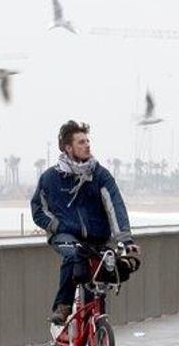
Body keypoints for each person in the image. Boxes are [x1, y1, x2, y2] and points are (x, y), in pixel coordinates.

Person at [31, 120, 140, 325]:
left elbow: (115, 206)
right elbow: (38, 209)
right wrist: (57, 226)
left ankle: (97, 337)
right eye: (81, 142)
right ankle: (62, 306)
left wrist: (125, 240)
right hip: (65, 235)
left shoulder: (99, 175)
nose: (87, 145)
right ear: (68, 147)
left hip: (96, 237)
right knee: (73, 256)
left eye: (88, 141)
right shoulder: (51, 178)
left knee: (99, 277)